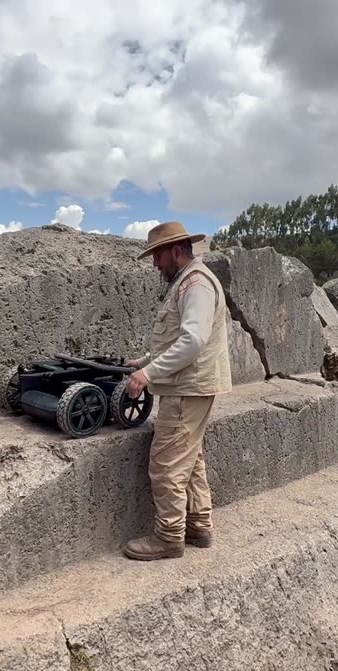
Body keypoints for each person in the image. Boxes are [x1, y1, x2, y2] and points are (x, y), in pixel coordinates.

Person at [122, 221, 232, 561]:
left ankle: (168, 537)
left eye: (157, 256)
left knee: (167, 462)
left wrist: (148, 374)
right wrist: (142, 361)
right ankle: (199, 525)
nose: (155, 264)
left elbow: (193, 340)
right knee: (190, 457)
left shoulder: (195, 284)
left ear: (174, 251)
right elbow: (177, 338)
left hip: (187, 387)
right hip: (194, 384)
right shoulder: (189, 281)